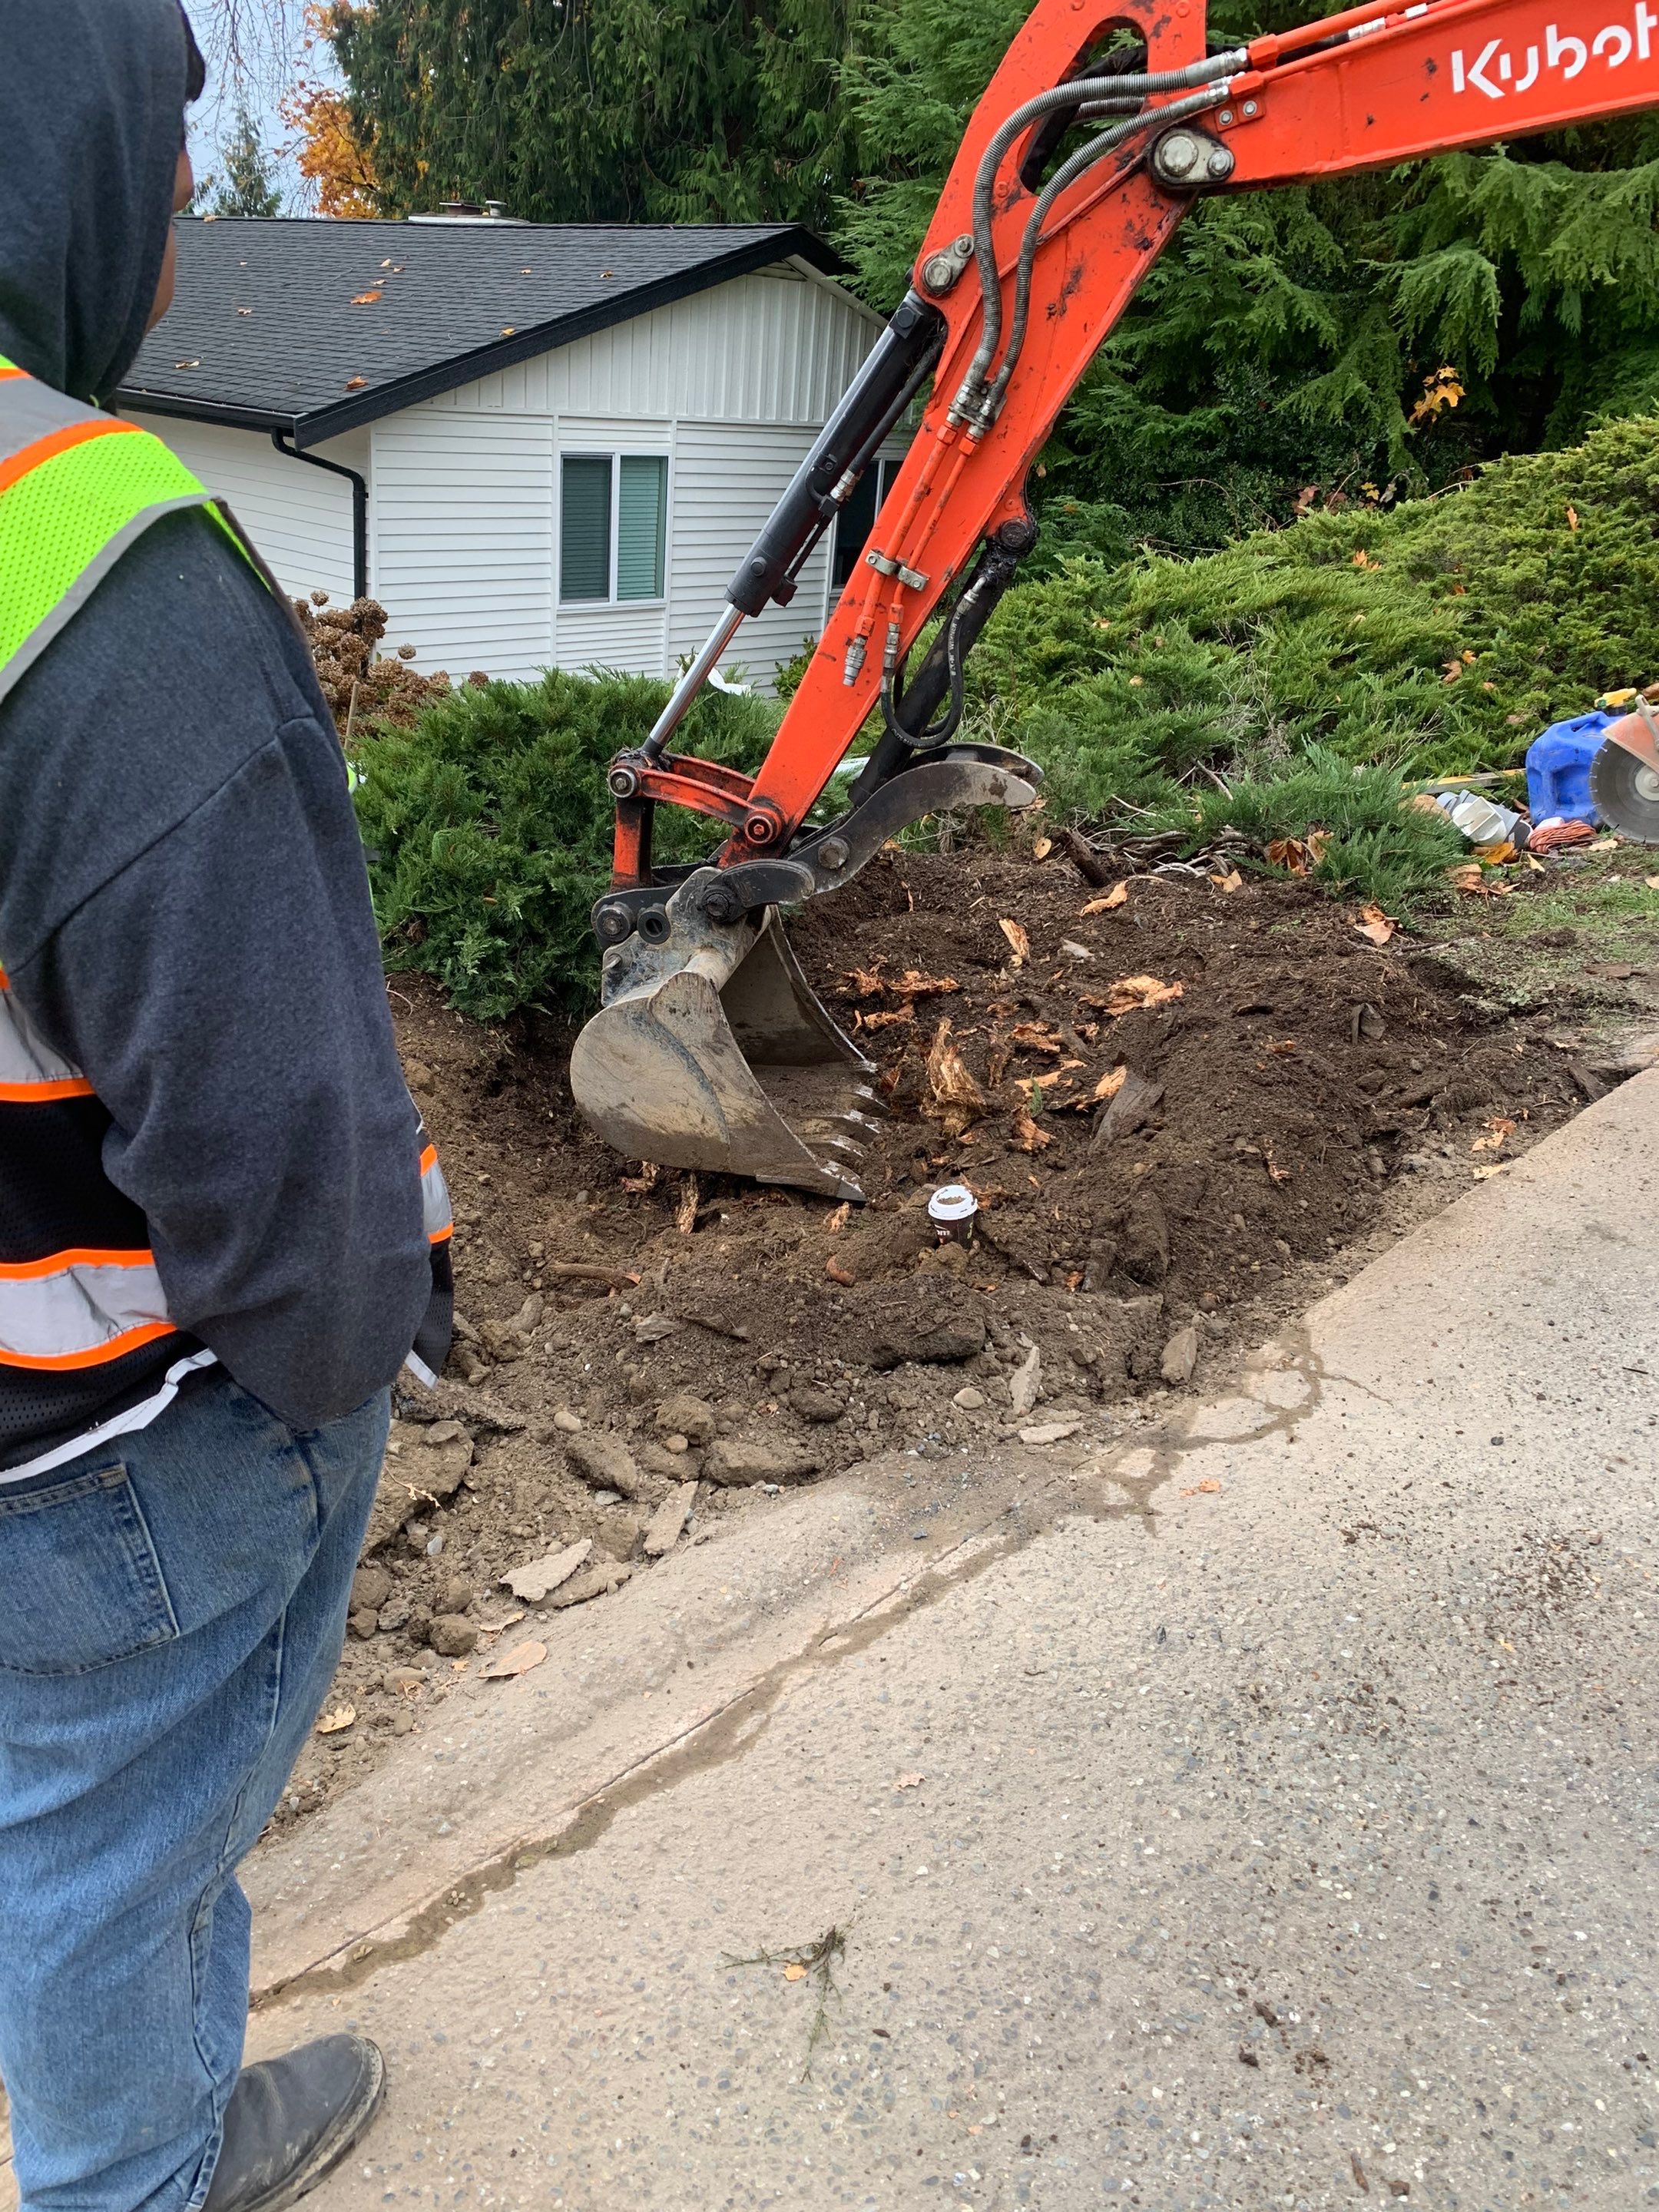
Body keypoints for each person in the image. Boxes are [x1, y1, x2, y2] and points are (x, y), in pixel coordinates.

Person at [0, 5, 452, 2207]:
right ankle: (129, 2171)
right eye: (172, 161)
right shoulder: (92, 562)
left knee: (54, 1817)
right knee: (109, 1830)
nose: (185, 219)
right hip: (84, 1447)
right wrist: (344, 1362)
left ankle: (153, 2109)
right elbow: (283, 1158)